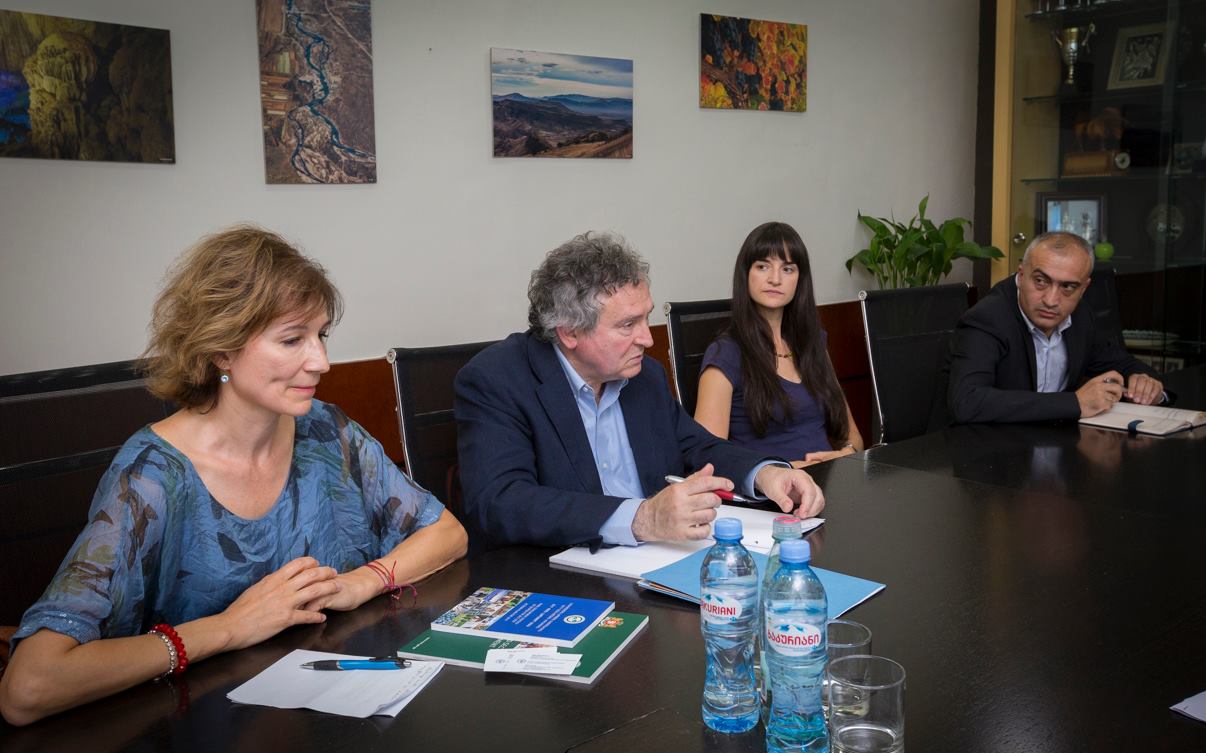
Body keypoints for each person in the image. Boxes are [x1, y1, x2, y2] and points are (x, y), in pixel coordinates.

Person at [0, 226, 467, 726]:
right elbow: (29, 688)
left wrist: (361, 583)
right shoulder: (152, 477)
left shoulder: (326, 431)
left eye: (321, 336)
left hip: (335, 711)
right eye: (292, 339)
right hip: (200, 723)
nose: (322, 362)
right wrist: (229, 627)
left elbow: (447, 533)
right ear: (222, 349)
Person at [454, 231, 826, 552]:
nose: (647, 339)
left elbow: (696, 446)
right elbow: (500, 501)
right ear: (569, 332)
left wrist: (765, 474)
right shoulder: (497, 380)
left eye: (646, 317)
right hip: (563, 575)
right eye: (628, 324)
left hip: (657, 559)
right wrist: (641, 518)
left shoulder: (644, 375)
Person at [947, 230, 1164, 424]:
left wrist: (1147, 385)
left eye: (1068, 286)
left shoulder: (1080, 314)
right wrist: (1075, 403)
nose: (1051, 301)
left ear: (1083, 288)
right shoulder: (987, 319)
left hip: (1055, 442)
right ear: (1021, 276)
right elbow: (967, 401)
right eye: (1040, 281)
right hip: (992, 448)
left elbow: (1122, 363)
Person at [694, 222, 864, 465]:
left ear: (799, 279)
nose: (775, 279)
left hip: (832, 477)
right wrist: (787, 470)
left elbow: (853, 437)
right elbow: (709, 458)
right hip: (774, 487)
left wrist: (845, 452)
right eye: (763, 266)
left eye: (787, 269)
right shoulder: (725, 354)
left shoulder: (813, 342)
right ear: (746, 274)